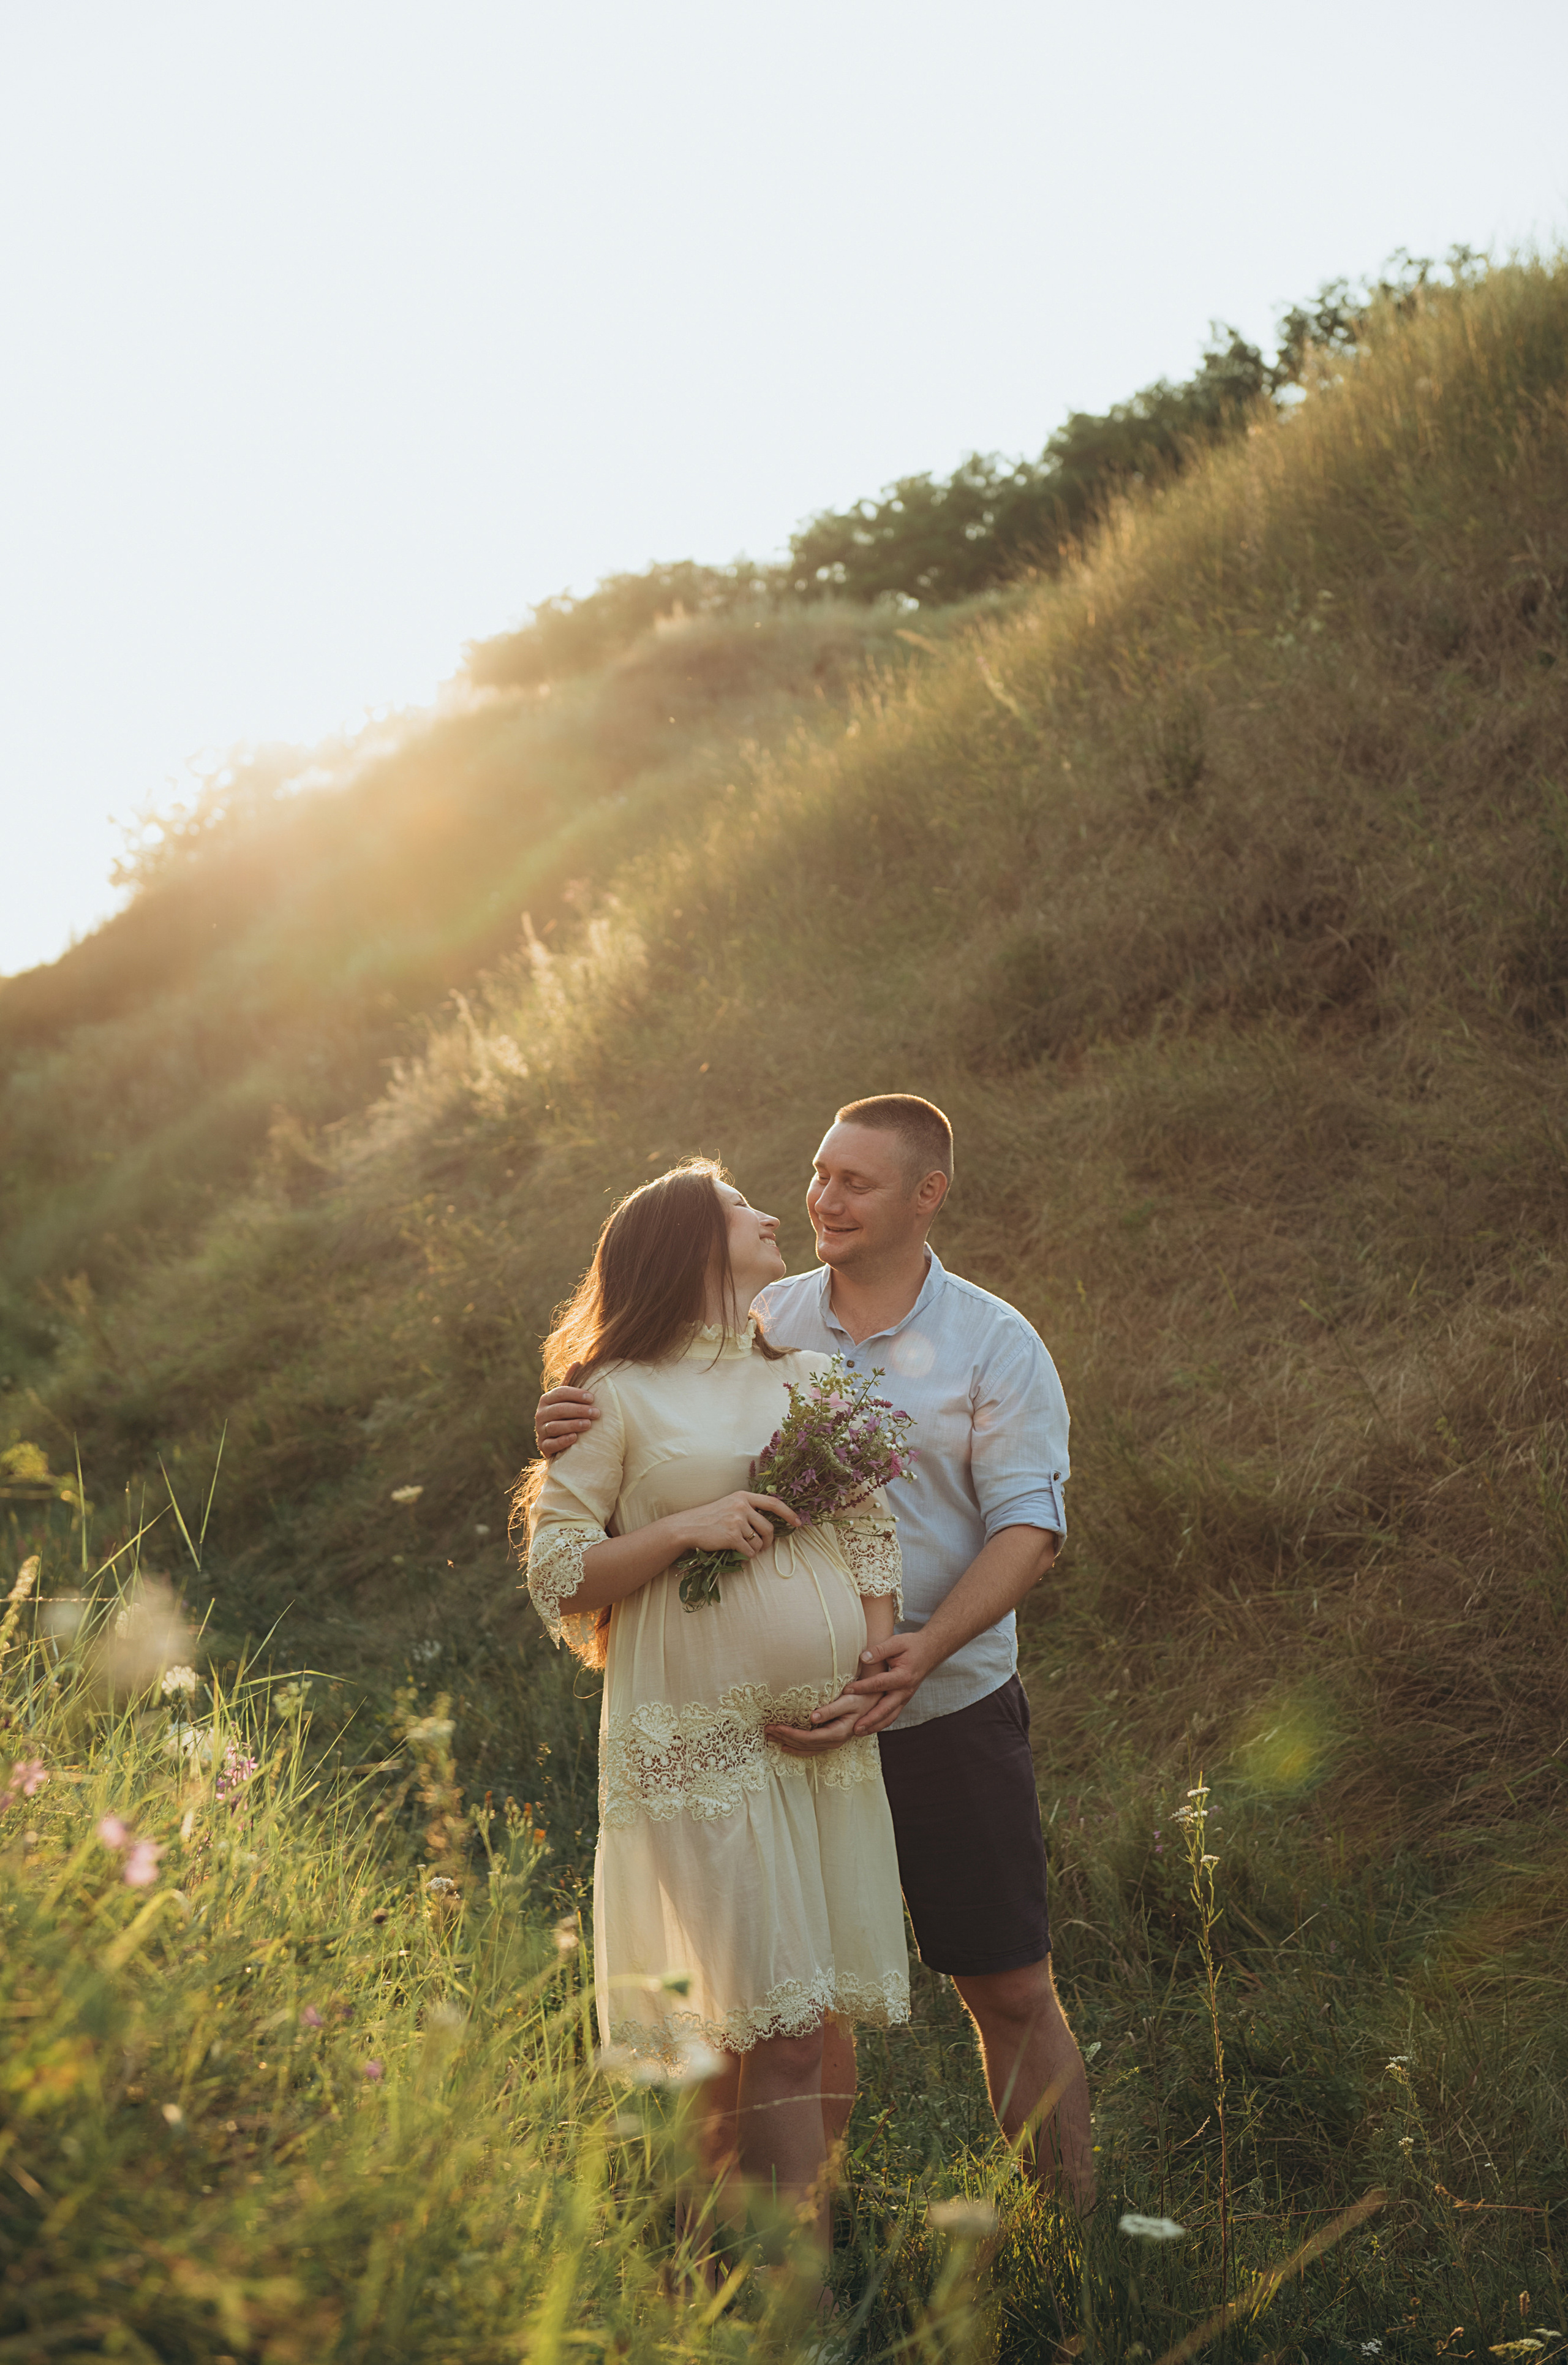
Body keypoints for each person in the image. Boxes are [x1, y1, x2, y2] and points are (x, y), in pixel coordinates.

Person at [537, 1095, 1094, 2210]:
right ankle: (797, 2247)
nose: (822, 1201)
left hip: (940, 1705)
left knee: (1010, 1986)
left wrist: (917, 1651)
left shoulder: (995, 1341)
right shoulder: (763, 1309)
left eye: (857, 1183)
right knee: (792, 2007)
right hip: (771, 1735)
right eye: (817, 1175)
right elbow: (645, 1395)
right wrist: (559, 1420)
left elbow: (1029, 1529)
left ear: (927, 1196)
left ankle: (1079, 2247)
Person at [514, 1157, 910, 2271]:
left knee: (804, 2024)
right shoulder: (614, 1393)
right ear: (690, 1243)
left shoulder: (806, 1375)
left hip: (824, 1748)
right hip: (700, 1749)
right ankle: (812, 2309)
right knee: (771, 2033)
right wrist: (689, 1529)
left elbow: (867, 1526)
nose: (772, 1215)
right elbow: (559, 1573)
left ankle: (713, 2257)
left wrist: (876, 1661)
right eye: (743, 1209)